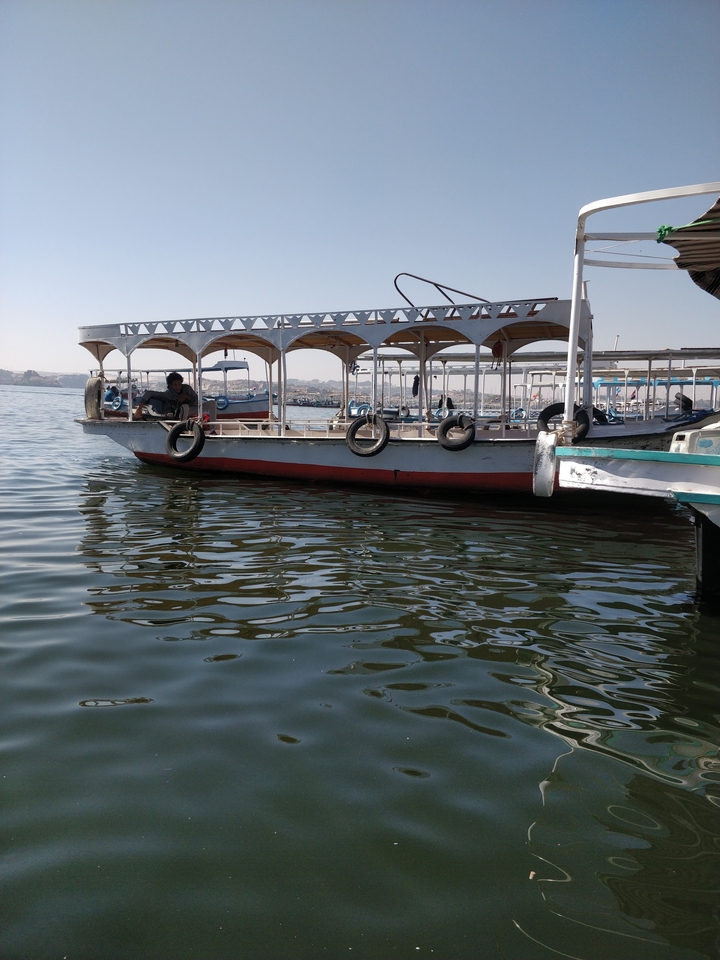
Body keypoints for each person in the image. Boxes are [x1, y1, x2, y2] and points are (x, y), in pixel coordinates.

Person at [134, 372, 199, 420]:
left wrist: (188, 397)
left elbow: (198, 402)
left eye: (179, 384)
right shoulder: (168, 394)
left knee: (208, 404)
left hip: (196, 409)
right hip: (181, 413)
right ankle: (181, 428)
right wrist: (139, 408)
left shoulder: (187, 388)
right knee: (184, 407)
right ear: (170, 385)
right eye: (175, 385)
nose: (178, 387)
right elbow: (149, 393)